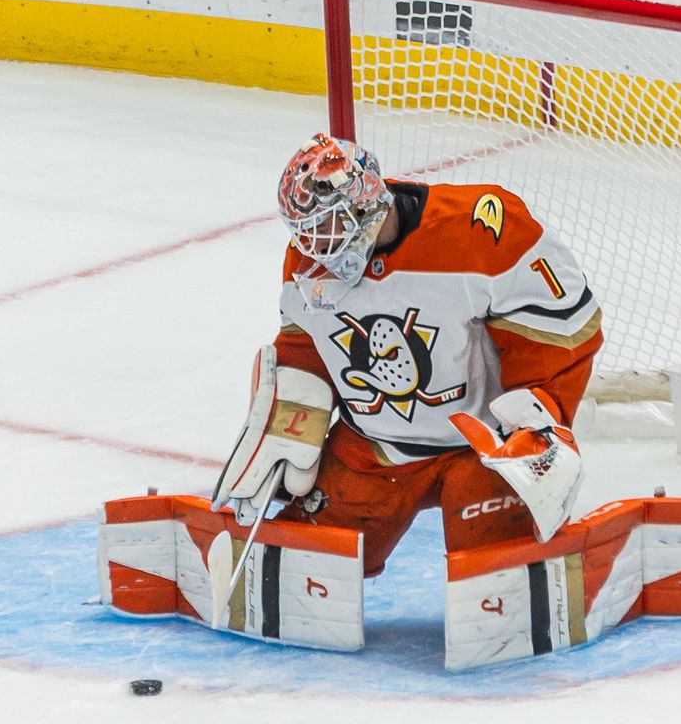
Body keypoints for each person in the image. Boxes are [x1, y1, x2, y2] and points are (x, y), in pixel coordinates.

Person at [211, 132, 604, 578]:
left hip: (482, 451)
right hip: (373, 451)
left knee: (496, 575)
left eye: (327, 228)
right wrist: (289, 418)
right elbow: (306, 344)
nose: (316, 247)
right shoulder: (307, 263)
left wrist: (540, 417)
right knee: (306, 568)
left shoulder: (480, 228)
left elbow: (560, 330)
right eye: (306, 234)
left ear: (364, 205)